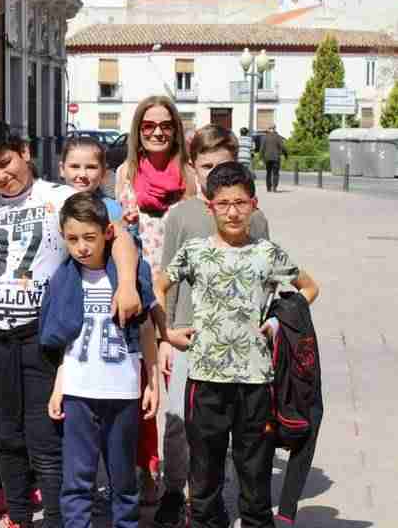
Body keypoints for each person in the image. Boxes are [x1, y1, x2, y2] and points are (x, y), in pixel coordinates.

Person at [0, 121, 141, 528]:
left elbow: (117, 235)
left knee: (46, 440)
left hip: (41, 335)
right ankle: (18, 516)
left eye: (5, 162)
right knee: (5, 437)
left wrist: (126, 285)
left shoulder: (60, 196)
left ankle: (55, 520)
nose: (0, 176)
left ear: (25, 152)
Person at [155, 162, 319, 528]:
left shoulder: (268, 253)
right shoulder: (195, 251)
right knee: (204, 480)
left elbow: (309, 287)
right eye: (224, 203)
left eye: (241, 203)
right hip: (205, 379)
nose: (232, 211)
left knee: (255, 478)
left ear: (254, 204)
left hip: (256, 381)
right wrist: (167, 329)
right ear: (210, 206)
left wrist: (278, 320)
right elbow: (160, 283)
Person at [153, 125, 271, 528]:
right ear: (192, 167)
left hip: (240, 343)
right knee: (179, 423)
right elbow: (164, 278)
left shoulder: (256, 219)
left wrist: (266, 325)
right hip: (189, 334)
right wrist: (165, 334)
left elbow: (265, 278)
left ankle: (221, 499)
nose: (216, 173)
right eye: (207, 165)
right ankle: (174, 491)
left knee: (236, 430)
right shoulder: (182, 215)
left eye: (224, 164)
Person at [42, 193, 159, 528]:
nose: (81, 247)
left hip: (122, 392)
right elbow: (66, 341)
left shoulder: (129, 277)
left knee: (123, 481)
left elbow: (148, 330)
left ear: (108, 233)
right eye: (73, 239)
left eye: (89, 238)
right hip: (79, 392)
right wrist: (58, 387)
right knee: (77, 482)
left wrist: (151, 382)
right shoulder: (64, 279)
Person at [115, 95, 196, 502]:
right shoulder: (124, 174)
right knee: (139, 390)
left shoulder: (192, 176)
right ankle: (145, 470)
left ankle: (181, 481)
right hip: (138, 292)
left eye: (165, 125)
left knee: (178, 396)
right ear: (138, 131)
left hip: (181, 296)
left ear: (176, 129)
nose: (158, 132)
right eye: (148, 126)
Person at [260, 125, 287, 193]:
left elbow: (262, 148)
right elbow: (283, 147)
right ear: (274, 129)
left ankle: (268, 188)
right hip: (276, 158)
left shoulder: (265, 137)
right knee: (275, 173)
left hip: (267, 158)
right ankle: (274, 187)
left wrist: (261, 158)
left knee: (268, 173)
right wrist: (286, 154)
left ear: (269, 129)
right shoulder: (278, 137)